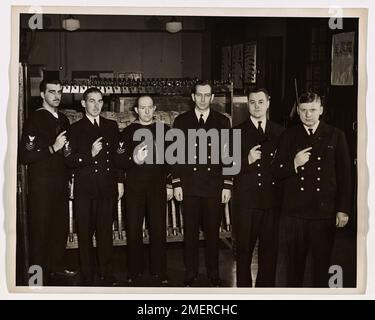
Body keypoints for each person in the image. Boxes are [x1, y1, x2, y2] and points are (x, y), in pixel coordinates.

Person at [271, 92, 351, 287]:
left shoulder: (335, 135)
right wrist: (294, 163)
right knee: (294, 268)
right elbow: (275, 170)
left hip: (323, 212)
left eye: (313, 110)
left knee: (322, 266)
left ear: (321, 110)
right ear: (298, 111)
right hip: (295, 214)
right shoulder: (288, 135)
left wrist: (343, 209)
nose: (308, 115)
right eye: (304, 110)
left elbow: (345, 176)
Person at [172, 81, 232, 287]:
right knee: (189, 233)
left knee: (213, 234)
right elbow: (176, 156)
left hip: (213, 186)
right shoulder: (181, 121)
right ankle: (190, 274)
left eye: (207, 95)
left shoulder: (223, 121)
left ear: (213, 98)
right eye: (199, 95)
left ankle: (214, 275)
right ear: (193, 97)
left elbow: (228, 155)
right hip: (189, 186)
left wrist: (227, 184)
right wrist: (177, 183)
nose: (203, 99)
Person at [64, 87, 124, 286]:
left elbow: (117, 158)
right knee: (85, 233)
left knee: (105, 232)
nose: (96, 105)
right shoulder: (75, 129)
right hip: (86, 190)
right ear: (83, 104)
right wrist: (90, 154)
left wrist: (120, 181)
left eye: (99, 101)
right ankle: (87, 273)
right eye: (91, 101)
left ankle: (107, 273)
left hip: (107, 188)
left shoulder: (111, 126)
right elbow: (69, 160)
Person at [19, 79, 75, 284]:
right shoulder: (35, 119)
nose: (57, 96)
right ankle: (36, 276)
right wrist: (53, 148)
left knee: (59, 228)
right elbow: (26, 155)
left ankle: (57, 268)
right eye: (52, 92)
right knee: (40, 230)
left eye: (59, 92)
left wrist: (70, 176)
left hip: (60, 183)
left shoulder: (63, 119)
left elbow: (66, 153)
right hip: (41, 184)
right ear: (42, 94)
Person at [117, 95, 173, 285]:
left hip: (157, 187)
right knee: (133, 230)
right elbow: (120, 161)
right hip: (134, 188)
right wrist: (134, 159)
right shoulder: (126, 132)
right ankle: (134, 271)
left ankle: (160, 271)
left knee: (159, 230)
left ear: (155, 108)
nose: (147, 111)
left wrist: (170, 183)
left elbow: (172, 161)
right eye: (143, 108)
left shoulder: (164, 130)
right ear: (136, 110)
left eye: (150, 107)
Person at [232, 88, 284, 287]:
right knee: (244, 250)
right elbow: (226, 167)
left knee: (269, 252)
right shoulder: (236, 132)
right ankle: (244, 291)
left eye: (260, 102)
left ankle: (265, 292)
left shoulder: (280, 132)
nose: (256, 106)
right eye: (252, 102)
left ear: (268, 103)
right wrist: (247, 160)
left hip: (271, 201)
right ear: (247, 104)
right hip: (246, 202)